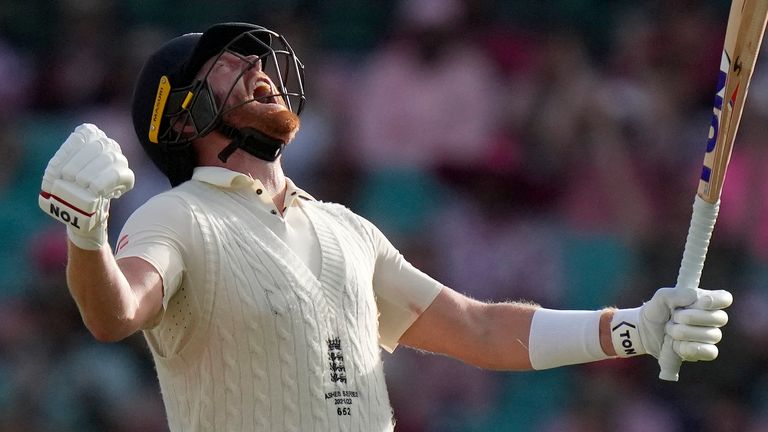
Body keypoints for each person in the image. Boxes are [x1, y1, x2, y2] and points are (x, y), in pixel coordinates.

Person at [38, 22, 732, 432]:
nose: (256, 68)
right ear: (183, 120)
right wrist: (87, 232)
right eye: (227, 67)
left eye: (256, 60)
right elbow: (115, 312)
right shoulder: (177, 214)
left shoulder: (347, 228)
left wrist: (633, 328)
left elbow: (480, 329)